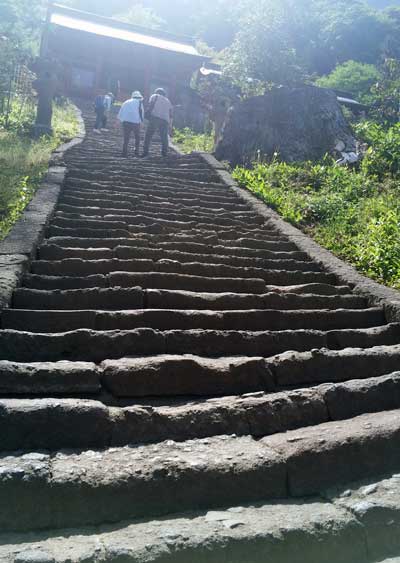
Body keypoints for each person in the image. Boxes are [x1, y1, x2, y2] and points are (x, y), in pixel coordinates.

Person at [142, 88, 173, 157]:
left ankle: (145, 152)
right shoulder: (168, 101)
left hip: (155, 118)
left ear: (157, 92)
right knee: (164, 137)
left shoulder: (154, 96)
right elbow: (171, 114)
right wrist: (170, 125)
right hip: (165, 120)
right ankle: (164, 153)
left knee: (148, 136)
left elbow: (150, 105)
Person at [118, 91, 144, 157]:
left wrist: (119, 121)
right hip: (136, 122)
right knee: (137, 137)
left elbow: (121, 111)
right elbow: (141, 113)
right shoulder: (140, 103)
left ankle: (124, 152)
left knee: (126, 137)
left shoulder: (126, 102)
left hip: (126, 122)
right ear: (139, 97)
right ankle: (136, 151)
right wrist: (141, 122)